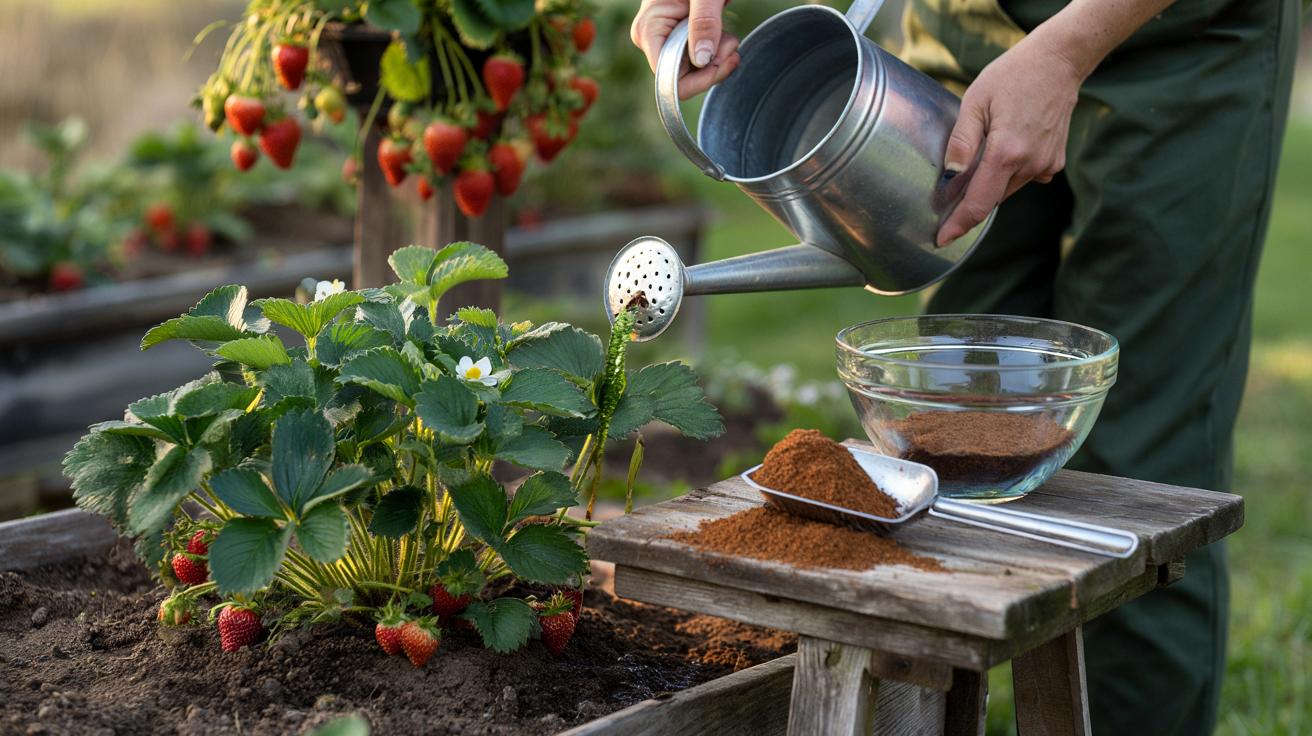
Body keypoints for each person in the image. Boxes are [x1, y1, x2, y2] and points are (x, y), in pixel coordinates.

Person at [630, 0, 1300, 733]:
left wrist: (1069, 48)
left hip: (1174, 44)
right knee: (951, 445)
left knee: (1140, 476)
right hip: (970, 26)